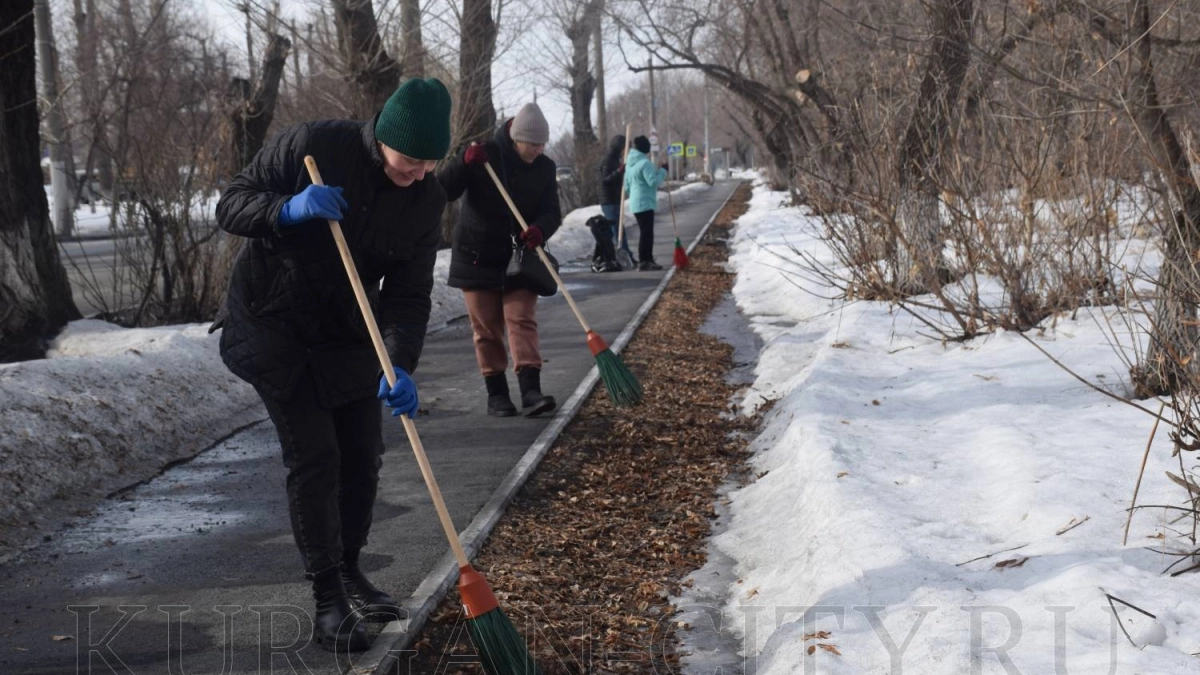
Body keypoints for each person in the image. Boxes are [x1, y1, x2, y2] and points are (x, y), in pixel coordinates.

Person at [212, 78, 452, 653]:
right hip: (274, 325)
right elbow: (231, 203)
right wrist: (286, 209)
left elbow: (409, 294)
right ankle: (327, 601)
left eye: (429, 163)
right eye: (410, 159)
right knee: (315, 457)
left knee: (363, 455)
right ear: (384, 138)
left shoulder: (426, 198)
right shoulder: (313, 145)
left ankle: (348, 569)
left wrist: (398, 363)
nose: (418, 172)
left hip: (348, 331)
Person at [437, 102, 561, 418]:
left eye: (541, 144)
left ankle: (531, 390)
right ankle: (497, 395)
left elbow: (551, 211)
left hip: (522, 258)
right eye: (532, 144)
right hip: (477, 256)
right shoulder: (485, 156)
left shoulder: (545, 167)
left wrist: (539, 229)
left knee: (521, 318)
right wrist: (462, 163)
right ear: (515, 137)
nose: (537, 150)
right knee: (487, 328)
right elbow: (443, 190)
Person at [623, 135, 669, 271]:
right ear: (645, 148)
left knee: (645, 232)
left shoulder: (630, 164)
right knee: (646, 233)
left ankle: (647, 258)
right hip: (645, 202)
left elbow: (626, 186)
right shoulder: (644, 163)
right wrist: (663, 171)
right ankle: (645, 260)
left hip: (636, 202)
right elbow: (653, 182)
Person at [596, 133, 628, 270]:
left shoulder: (616, 159)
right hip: (608, 200)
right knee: (615, 229)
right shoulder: (608, 160)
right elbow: (605, 180)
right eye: (623, 147)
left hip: (615, 198)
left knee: (620, 228)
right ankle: (616, 255)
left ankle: (625, 254)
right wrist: (619, 171)